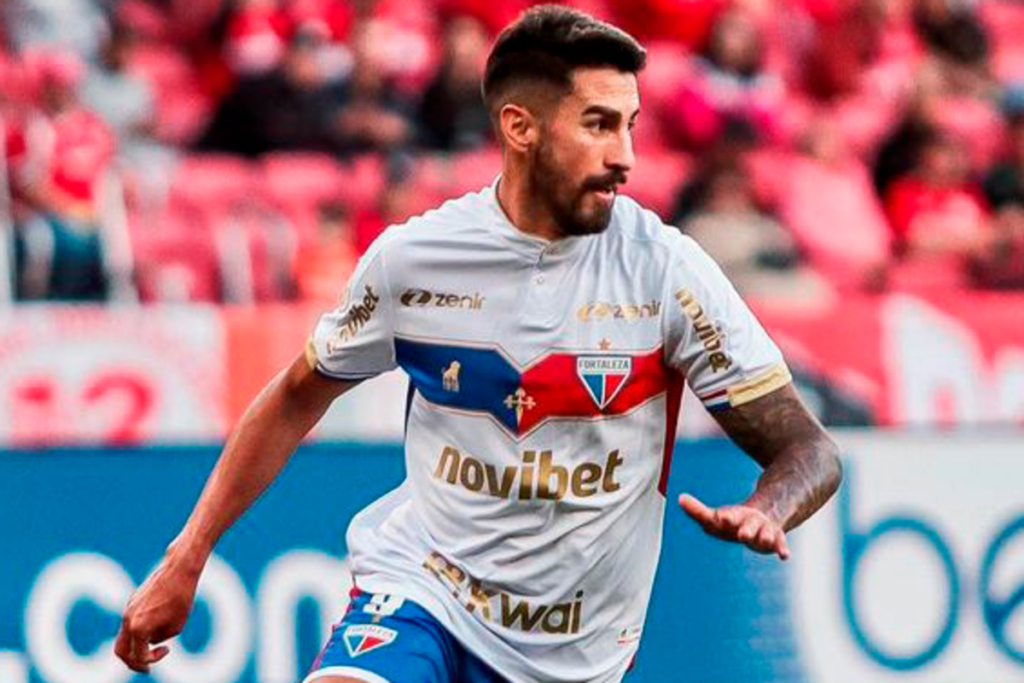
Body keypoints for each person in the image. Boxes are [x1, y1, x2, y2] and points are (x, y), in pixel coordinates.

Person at [115, 7, 842, 683]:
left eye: (630, 126)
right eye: (597, 125)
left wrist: (770, 506)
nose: (625, 156)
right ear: (520, 128)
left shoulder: (666, 272)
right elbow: (297, 393)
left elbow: (809, 451)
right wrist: (187, 556)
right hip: (424, 593)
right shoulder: (416, 260)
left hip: (574, 655)